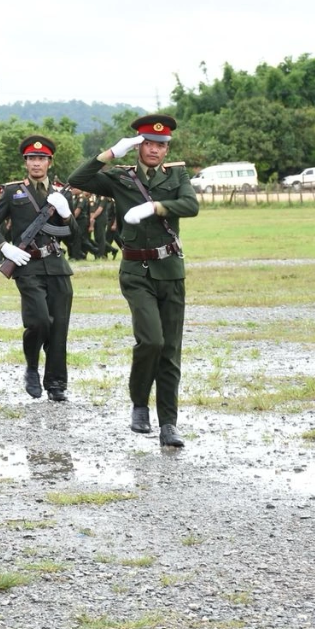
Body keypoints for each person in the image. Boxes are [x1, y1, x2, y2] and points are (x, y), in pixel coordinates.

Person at [68, 114, 198, 448]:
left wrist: (155, 207)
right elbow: (77, 178)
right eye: (149, 144)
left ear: (167, 150)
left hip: (170, 270)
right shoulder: (120, 179)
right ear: (139, 146)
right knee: (151, 341)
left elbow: (190, 205)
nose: (155, 150)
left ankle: (168, 423)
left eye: (161, 145)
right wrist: (112, 153)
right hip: (136, 272)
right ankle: (140, 403)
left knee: (170, 351)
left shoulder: (177, 175)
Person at [0, 135, 76, 402]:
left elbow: (74, 235)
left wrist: (66, 213)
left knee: (59, 328)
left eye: (42, 158)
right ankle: (32, 367)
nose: (37, 163)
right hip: (27, 266)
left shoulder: (59, 193)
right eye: (32, 158)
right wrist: (4, 248)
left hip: (57, 266)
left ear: (49, 161)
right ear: (26, 162)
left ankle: (56, 383)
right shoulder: (13, 192)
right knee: (38, 322)